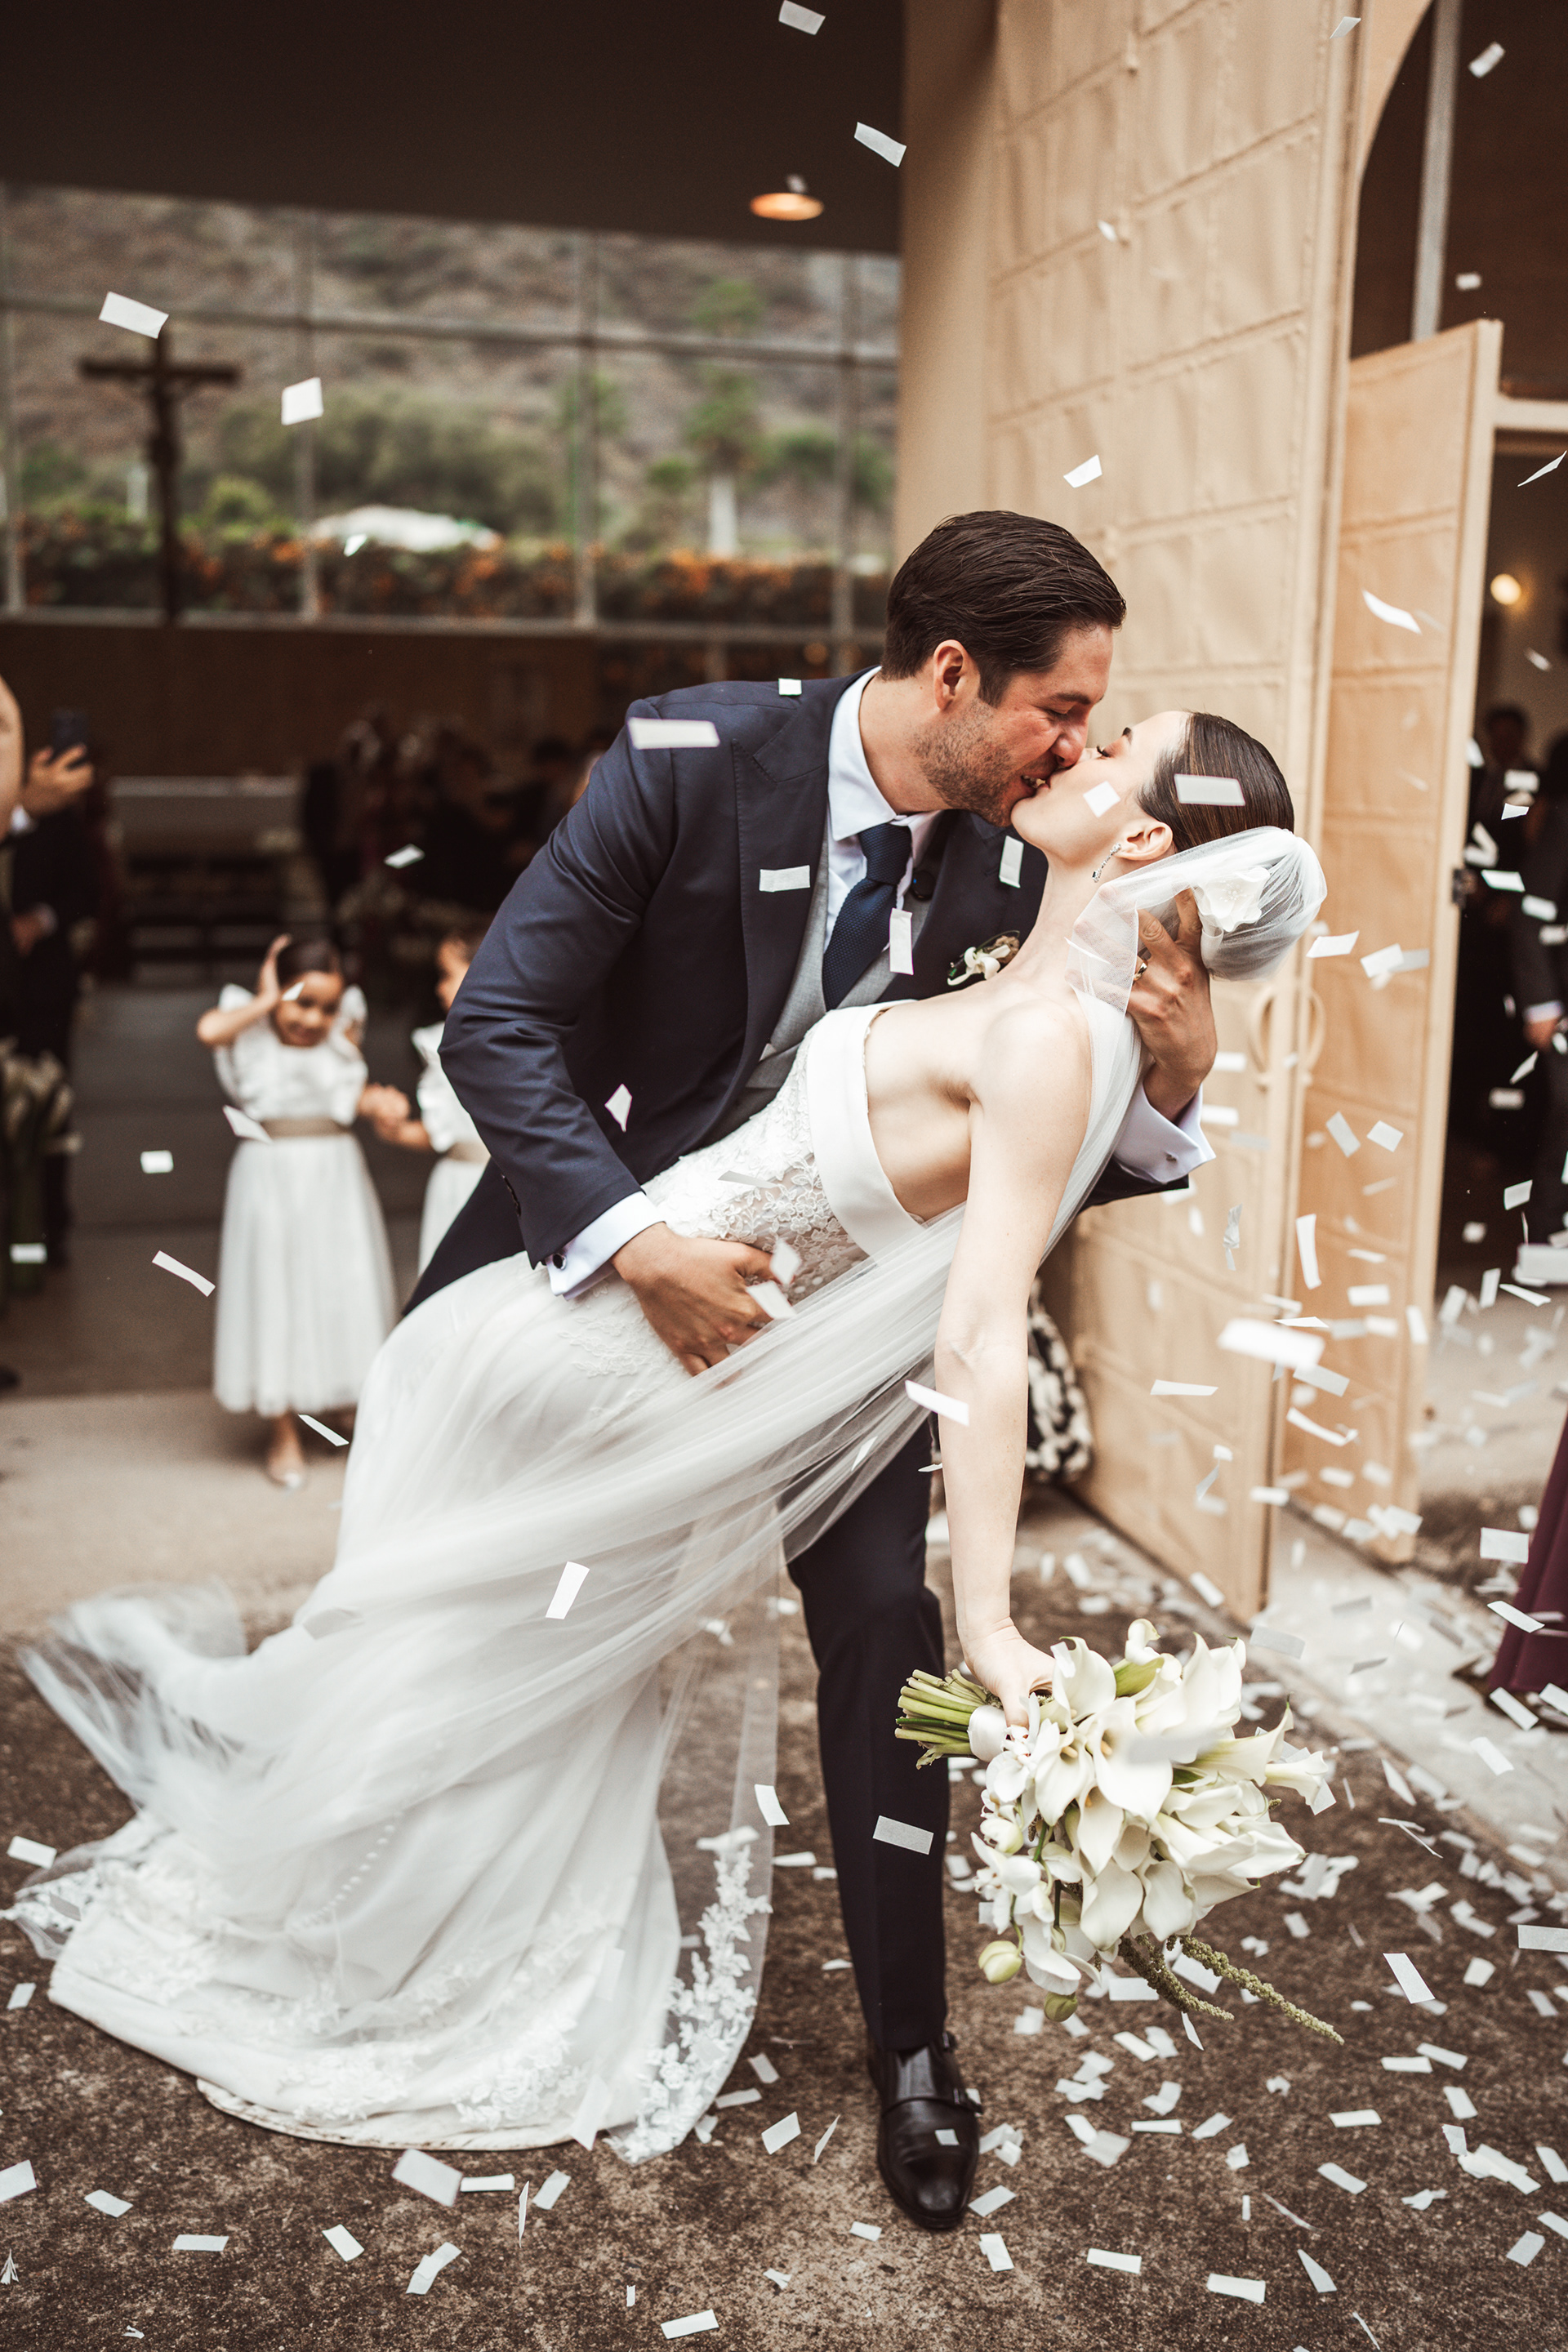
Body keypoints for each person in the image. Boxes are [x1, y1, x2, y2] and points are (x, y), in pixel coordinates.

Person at [8, 699, 1321, 2204]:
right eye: (1072, 710)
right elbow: (506, 1025)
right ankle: (406, 1927)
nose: (1072, 740)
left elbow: (1000, 1285)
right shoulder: (725, 778)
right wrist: (635, 1249)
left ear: (1144, 838)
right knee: (516, 1657)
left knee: (815, 1634)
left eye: (1106, 733)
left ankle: (906, 2051)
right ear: (957, 673)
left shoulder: (1046, 948)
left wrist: (1175, 1074)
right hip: (626, 1309)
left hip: (766, 1369)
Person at [197, 935, 395, 1488]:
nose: (314, 1019)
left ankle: (345, 1402)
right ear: (277, 991)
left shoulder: (342, 1031)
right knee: (276, 1289)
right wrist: (266, 999)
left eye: (327, 1008)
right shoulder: (249, 1031)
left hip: (335, 1172)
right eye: (302, 1003)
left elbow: (347, 1093)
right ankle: (282, 1428)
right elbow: (209, 1031)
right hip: (269, 1175)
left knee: (341, 1283)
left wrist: (377, 1103)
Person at [361, 920, 491, 1274]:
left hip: (508, 1189)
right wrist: (395, 1129)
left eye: (447, 975)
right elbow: (441, 1134)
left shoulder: (534, 1042)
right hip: (457, 1185)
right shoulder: (440, 1047)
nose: (439, 987)